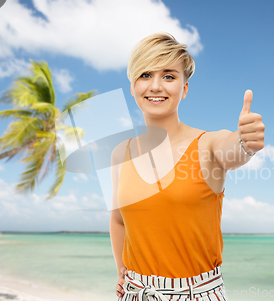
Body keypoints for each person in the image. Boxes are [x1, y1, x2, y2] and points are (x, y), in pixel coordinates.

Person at [110, 32, 265, 301]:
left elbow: (232, 150)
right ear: (133, 86)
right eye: (145, 75)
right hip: (136, 293)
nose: (156, 86)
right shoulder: (120, 153)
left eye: (169, 76)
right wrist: (121, 269)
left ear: (184, 88)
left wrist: (245, 143)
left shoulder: (207, 145)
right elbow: (118, 220)